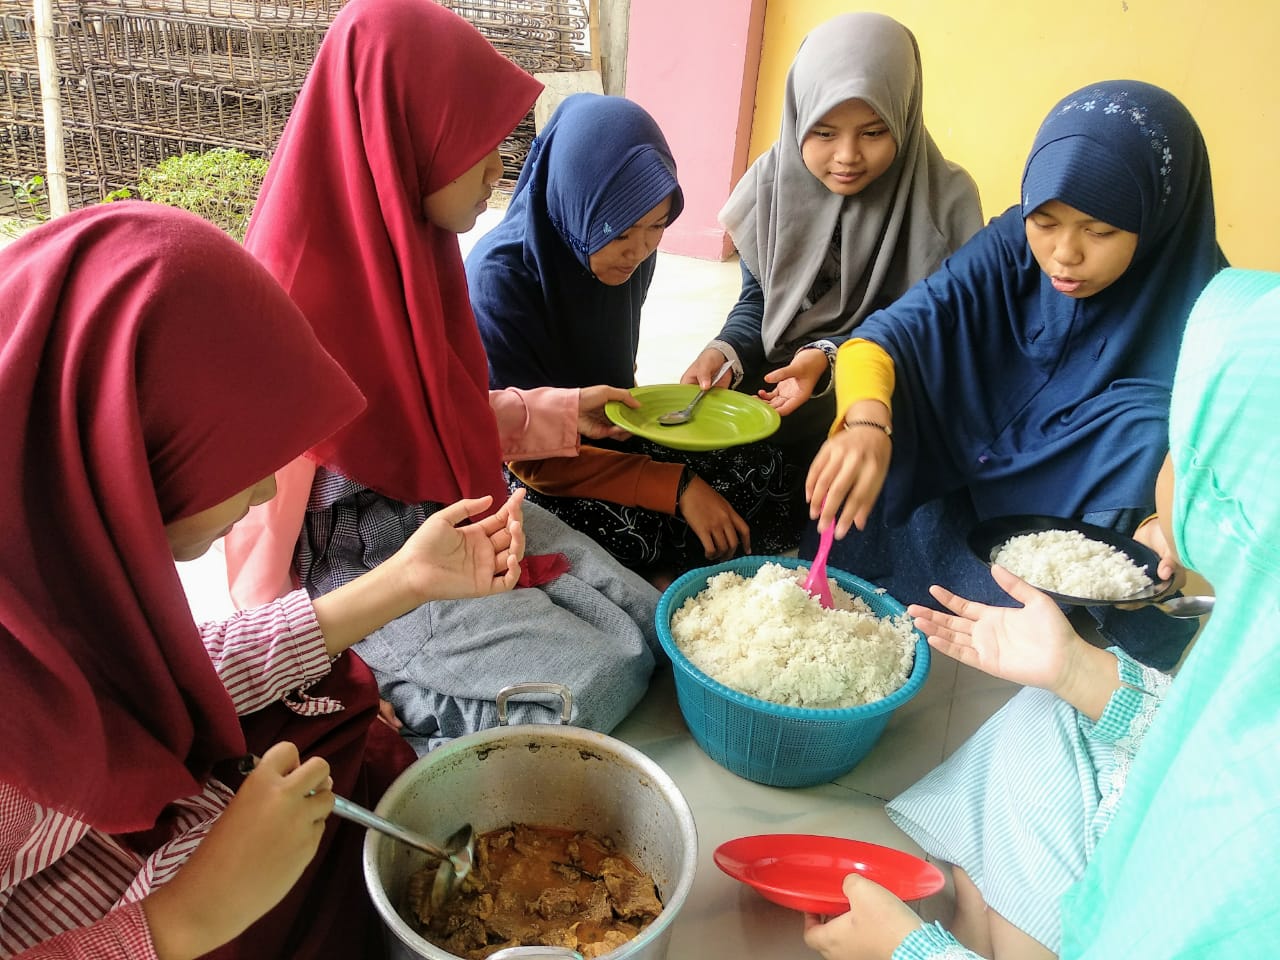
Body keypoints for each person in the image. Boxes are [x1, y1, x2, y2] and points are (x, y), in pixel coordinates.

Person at [0, 203, 530, 958]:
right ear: (124, 446)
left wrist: (406, 579)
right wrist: (186, 918)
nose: (261, 499)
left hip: (90, 836)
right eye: (241, 465)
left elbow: (182, 676)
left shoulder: (55, 556)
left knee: (341, 709)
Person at [801, 266, 1280, 959]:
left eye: (1183, 444)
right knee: (1049, 708)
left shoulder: (1245, 861)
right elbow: (1182, 736)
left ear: (1237, 496)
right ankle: (989, 911)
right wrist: (1075, 669)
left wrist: (909, 950)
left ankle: (986, 927)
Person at [224, 0, 662, 752]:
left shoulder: (412, 246)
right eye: (476, 145)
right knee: (596, 679)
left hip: (448, 505)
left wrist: (554, 412)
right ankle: (391, 702)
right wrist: (308, 674)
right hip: (359, 565)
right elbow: (257, 527)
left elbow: (426, 413)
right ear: (402, 137)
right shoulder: (296, 295)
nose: (499, 169)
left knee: (648, 616)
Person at [807, 79, 1227, 670]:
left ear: (1160, 217)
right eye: (1046, 220)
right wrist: (867, 424)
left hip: (1069, 487)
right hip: (962, 448)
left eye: (1101, 230)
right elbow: (886, 334)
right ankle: (890, 556)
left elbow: (1211, 445)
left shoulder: (1211, 306)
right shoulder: (1011, 242)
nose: (1063, 254)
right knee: (891, 377)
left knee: (1146, 427)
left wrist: (1167, 524)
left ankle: (1053, 609)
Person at [468, 93, 796, 580]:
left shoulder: (630, 258)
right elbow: (526, 460)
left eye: (657, 226)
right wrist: (676, 486)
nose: (638, 251)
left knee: (763, 466)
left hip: (607, 431)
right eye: (619, 233)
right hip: (537, 469)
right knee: (642, 532)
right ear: (573, 203)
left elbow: (618, 391)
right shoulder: (499, 281)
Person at [680, 11, 983, 472]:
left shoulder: (945, 204)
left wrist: (828, 356)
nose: (847, 156)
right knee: (691, 455)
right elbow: (763, 300)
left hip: (884, 395)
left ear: (905, 112)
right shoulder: (770, 186)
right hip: (784, 381)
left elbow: (933, 330)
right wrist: (726, 351)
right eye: (823, 132)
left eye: (874, 132)